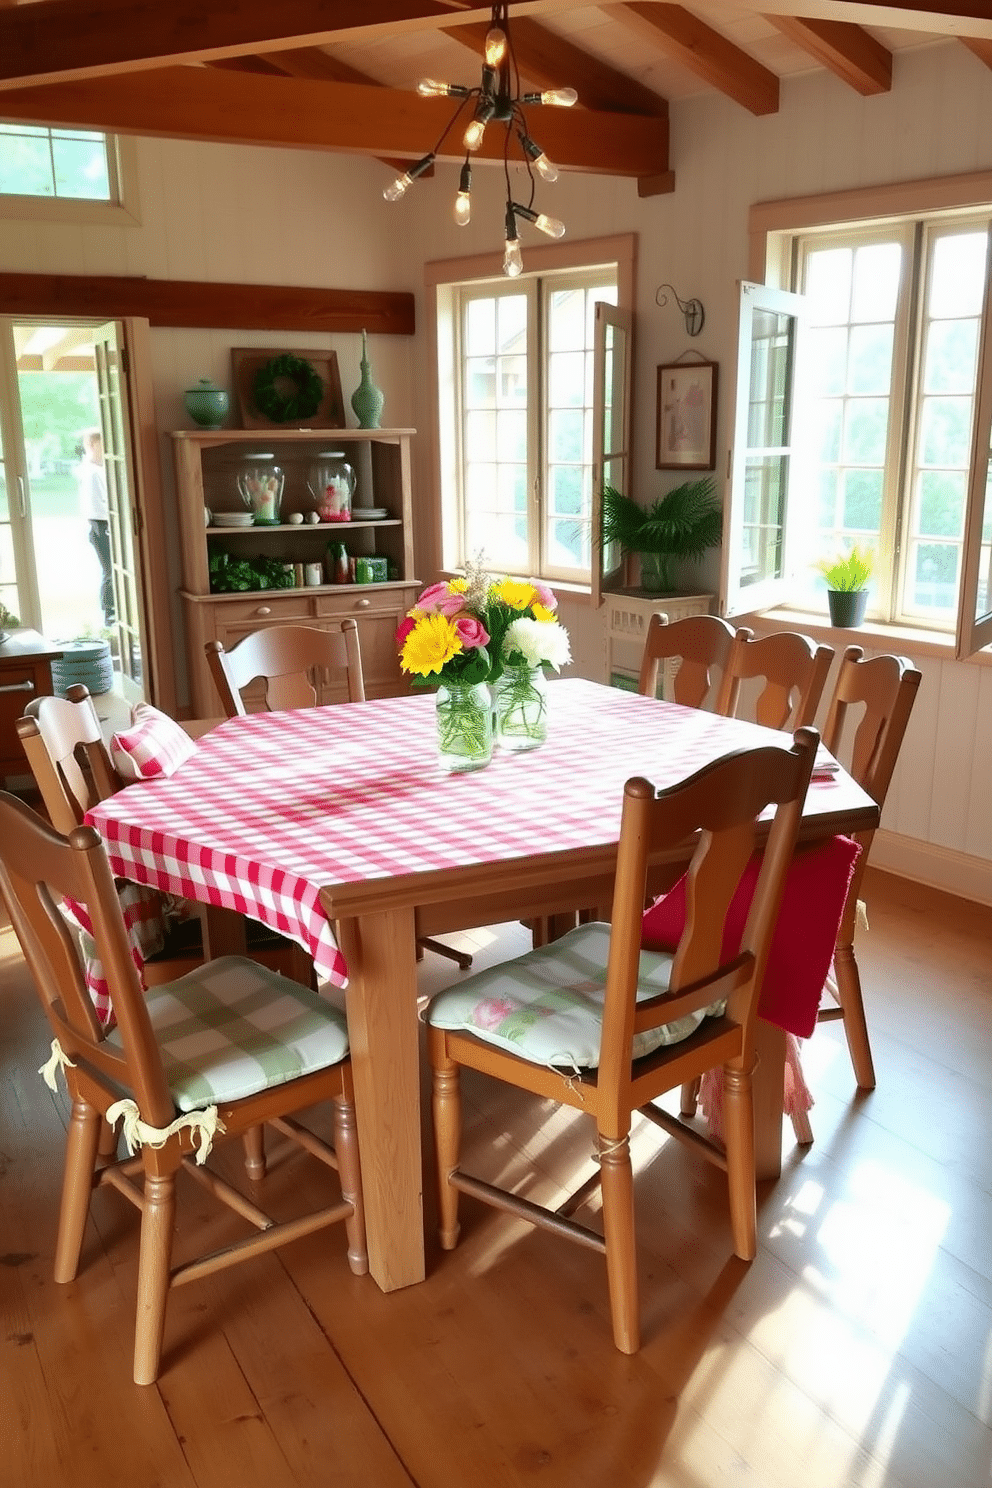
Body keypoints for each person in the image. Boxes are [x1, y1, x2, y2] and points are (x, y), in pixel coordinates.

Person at [77, 427, 115, 627]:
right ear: (92, 445)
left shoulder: (100, 469)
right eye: (102, 443)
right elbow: (98, 507)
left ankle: (113, 612)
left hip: (104, 524)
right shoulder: (91, 473)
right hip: (100, 525)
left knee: (111, 571)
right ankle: (110, 614)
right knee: (110, 571)